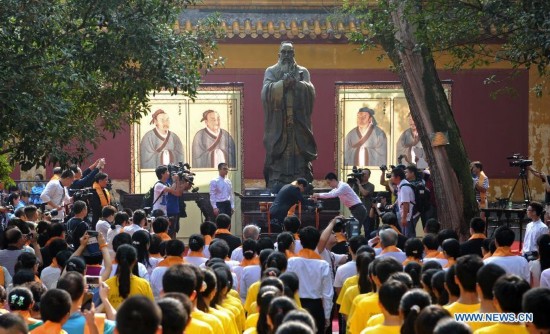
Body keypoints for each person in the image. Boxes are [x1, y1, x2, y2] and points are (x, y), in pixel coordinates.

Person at [261, 41, 317, 189]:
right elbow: (265, 92)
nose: (286, 55)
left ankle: (301, 179)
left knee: (298, 153)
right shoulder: (271, 71)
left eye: (289, 52)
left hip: (298, 122)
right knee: (280, 152)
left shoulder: (302, 71)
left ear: (294, 54)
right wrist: (282, 84)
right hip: (279, 122)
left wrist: (297, 84)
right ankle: (277, 180)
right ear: (279, 54)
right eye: (284, 52)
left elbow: (310, 91)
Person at [286, 227, 333, 334]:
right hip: (316, 307)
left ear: (301, 242)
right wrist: (327, 316)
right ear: (317, 242)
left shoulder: (291, 262)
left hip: (296, 305)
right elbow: (327, 294)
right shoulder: (323, 265)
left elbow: (287, 286)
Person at [390, 167, 416, 238]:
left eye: (392, 176)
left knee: (408, 236)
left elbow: (406, 203)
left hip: (408, 216)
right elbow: (400, 199)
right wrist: (394, 204)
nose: (391, 178)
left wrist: (404, 218)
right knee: (405, 234)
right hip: (406, 215)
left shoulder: (404, 187)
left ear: (397, 177)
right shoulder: (401, 185)